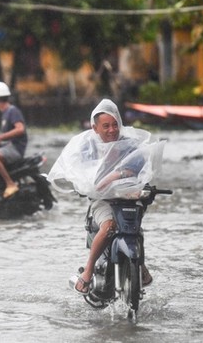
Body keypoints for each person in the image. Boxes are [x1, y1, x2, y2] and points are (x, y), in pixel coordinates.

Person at [47, 99, 165, 295]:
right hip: (102, 201)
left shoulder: (130, 145)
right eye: (106, 126)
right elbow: (83, 172)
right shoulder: (87, 147)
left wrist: (116, 175)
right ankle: (88, 270)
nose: (112, 130)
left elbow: (138, 165)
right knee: (109, 225)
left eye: (115, 124)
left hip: (128, 199)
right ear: (95, 128)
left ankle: (140, 265)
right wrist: (94, 184)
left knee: (136, 227)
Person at [0, 81, 27, 199]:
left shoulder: (12, 111)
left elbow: (20, 129)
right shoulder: (5, 113)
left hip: (16, 148)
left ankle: (10, 183)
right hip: (10, 146)